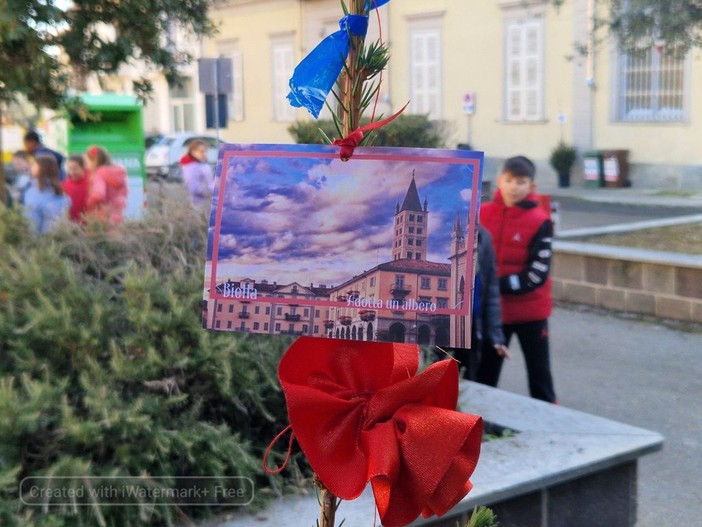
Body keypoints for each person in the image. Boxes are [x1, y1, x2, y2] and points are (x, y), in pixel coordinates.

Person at [477, 155, 557, 403]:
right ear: (500, 181)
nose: (514, 187)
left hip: (530, 314)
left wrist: (491, 286)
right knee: (485, 374)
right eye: (509, 180)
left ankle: (550, 420)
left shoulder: (541, 221)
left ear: (531, 186)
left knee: (539, 373)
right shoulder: (480, 213)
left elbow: (537, 274)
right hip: (494, 314)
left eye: (521, 182)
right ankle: (478, 418)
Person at [449, 226, 510, 381]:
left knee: (466, 378)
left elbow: (491, 292)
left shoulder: (483, 237)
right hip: (440, 323)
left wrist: (495, 336)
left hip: (471, 325)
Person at [23, 154, 71, 234]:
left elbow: (31, 221)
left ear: (42, 168)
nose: (31, 166)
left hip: (38, 239)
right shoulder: (59, 191)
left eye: (34, 164)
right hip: (56, 239)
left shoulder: (34, 192)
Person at [85, 145, 128, 226]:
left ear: (94, 161)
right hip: (118, 217)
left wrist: (89, 204)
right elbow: (125, 193)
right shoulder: (120, 173)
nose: (86, 165)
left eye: (87, 161)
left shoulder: (99, 174)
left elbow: (98, 195)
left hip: (102, 219)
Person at [180, 139, 214, 209]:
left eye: (205, 151)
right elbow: (194, 188)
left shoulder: (203, 165)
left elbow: (209, 182)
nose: (204, 154)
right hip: (199, 205)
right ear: (193, 152)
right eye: (201, 152)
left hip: (209, 203)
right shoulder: (190, 167)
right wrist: (213, 190)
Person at [62, 154, 90, 223]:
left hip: (89, 224)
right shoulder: (64, 184)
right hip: (71, 224)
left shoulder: (91, 181)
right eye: (69, 169)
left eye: (75, 169)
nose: (72, 172)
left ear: (83, 167)